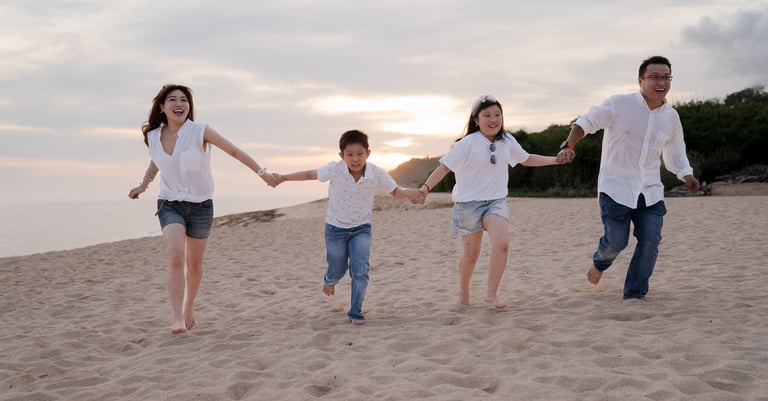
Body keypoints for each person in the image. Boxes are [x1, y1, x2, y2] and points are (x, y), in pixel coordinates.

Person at [128, 84, 279, 334]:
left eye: (184, 100)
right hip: (169, 203)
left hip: (201, 206)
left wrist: (262, 173)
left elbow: (234, 151)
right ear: (162, 107)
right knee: (176, 255)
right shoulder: (154, 136)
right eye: (173, 100)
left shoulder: (200, 131)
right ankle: (177, 318)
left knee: (194, 264)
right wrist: (144, 185)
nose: (180, 104)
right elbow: (156, 161)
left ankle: (189, 306)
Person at [557, 56, 701, 300]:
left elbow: (676, 152)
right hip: (616, 188)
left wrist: (686, 175)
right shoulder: (618, 104)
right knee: (616, 242)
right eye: (654, 77)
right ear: (640, 80)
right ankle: (600, 263)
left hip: (651, 191)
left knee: (650, 242)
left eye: (666, 77)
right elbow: (587, 121)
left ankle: (634, 295)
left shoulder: (671, 117)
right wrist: (569, 144)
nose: (661, 82)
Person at [417, 95, 567, 309]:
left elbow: (526, 158)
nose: (493, 119)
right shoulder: (467, 143)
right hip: (468, 205)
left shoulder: (507, 141)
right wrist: (425, 188)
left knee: (502, 243)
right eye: (487, 115)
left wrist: (555, 159)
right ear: (476, 120)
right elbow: (444, 167)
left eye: (497, 114)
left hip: (495, 202)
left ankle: (491, 293)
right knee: (471, 254)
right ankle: (463, 291)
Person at [273, 129, 422, 325]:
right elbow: (310, 173)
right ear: (341, 155)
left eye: (360, 154)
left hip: (362, 229)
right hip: (335, 229)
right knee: (338, 268)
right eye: (350, 155)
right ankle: (330, 278)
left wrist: (410, 193)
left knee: (360, 270)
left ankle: (355, 312)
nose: (355, 159)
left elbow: (395, 191)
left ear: (368, 153)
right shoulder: (334, 169)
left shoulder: (375, 173)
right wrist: (283, 177)